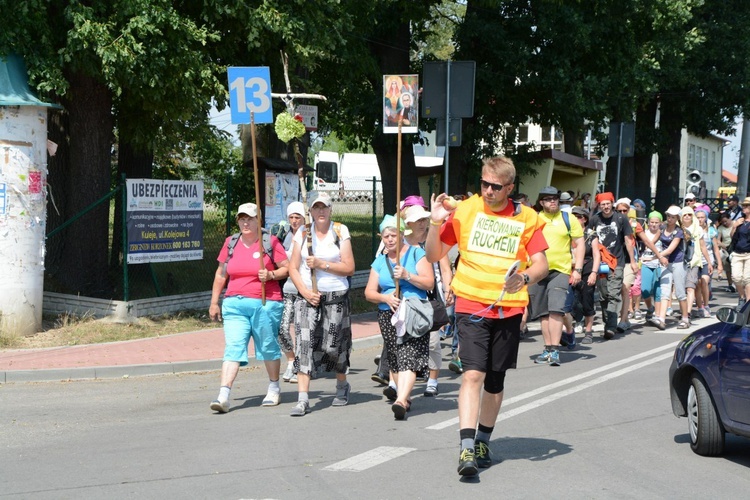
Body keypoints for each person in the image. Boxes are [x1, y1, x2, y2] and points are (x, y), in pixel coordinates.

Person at [425, 156, 549, 477]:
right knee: (472, 375)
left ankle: (483, 440)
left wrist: (523, 278)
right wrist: (436, 223)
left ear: (510, 187)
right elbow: (434, 254)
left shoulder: (528, 218)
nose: (489, 191)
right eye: (484, 184)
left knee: (495, 382)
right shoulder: (466, 211)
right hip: (470, 304)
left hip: (508, 308)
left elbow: (541, 265)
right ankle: (466, 447)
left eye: (496, 186)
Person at [208, 203, 289, 413]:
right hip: (234, 304)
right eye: (241, 218)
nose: (245, 222)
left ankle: (273, 387)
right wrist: (214, 302)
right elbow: (221, 274)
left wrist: (271, 275)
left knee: (267, 346)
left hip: (265, 303)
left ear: (258, 221)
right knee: (233, 347)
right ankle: (223, 395)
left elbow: (287, 269)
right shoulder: (231, 242)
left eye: (250, 218)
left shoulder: (269, 242)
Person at [287, 191, 355, 416]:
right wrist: (305, 292)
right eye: (316, 208)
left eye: (324, 207)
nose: (321, 211)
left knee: (333, 346)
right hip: (308, 297)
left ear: (330, 209)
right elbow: (293, 268)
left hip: (335, 296)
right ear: (311, 211)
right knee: (304, 345)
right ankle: (303, 399)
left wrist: (322, 264)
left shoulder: (339, 230)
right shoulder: (303, 233)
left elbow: (349, 267)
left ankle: (342, 385)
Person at [365, 215, 434, 420]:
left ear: (402, 234)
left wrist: (407, 276)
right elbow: (369, 292)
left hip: (413, 311)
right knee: (395, 358)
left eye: (394, 235)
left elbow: (429, 283)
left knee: (408, 357)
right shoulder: (379, 262)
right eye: (386, 236)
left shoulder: (416, 254)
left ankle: (401, 400)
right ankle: (405, 397)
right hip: (389, 314)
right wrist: (385, 297)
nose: (390, 239)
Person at [528, 186, 584, 366]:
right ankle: (547, 348)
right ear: (541, 202)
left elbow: (580, 244)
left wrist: (578, 269)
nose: (553, 201)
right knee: (543, 313)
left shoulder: (568, 219)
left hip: (560, 271)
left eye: (555, 198)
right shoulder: (534, 219)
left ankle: (555, 350)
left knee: (556, 310)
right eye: (549, 199)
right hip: (537, 271)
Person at [402, 203, 454, 396]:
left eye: (425, 220)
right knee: (402, 341)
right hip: (406, 297)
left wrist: (448, 289)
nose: (423, 224)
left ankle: (432, 380)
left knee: (432, 341)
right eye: (419, 221)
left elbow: (445, 267)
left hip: (430, 297)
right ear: (409, 223)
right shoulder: (401, 241)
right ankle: (397, 381)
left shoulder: (434, 240)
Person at [589, 192, 636, 339]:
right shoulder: (595, 219)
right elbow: (589, 240)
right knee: (603, 296)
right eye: (602, 204)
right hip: (601, 262)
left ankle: (610, 326)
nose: (606, 207)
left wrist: (633, 261)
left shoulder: (621, 218)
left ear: (612, 203)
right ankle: (608, 320)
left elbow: (628, 240)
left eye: (608, 204)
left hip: (618, 261)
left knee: (613, 293)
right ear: (599, 206)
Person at [279, 202, 306, 383]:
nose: (295, 221)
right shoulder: (284, 236)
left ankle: (299, 365)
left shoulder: (310, 236)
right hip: (288, 289)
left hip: (305, 290)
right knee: (281, 328)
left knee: (300, 329)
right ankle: (291, 359)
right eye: (291, 217)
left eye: (298, 217)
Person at [650, 206, 688, 329]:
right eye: (668, 216)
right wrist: (649, 250)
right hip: (665, 262)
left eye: (673, 217)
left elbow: (671, 249)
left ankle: (685, 318)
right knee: (665, 291)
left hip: (677, 262)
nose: (670, 219)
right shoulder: (662, 227)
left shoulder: (679, 232)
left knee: (680, 292)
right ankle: (661, 319)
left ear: (677, 218)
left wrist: (656, 257)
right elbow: (652, 242)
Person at [570, 206, 601, 344]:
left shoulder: (590, 234)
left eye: (579, 216)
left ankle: (588, 331)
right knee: (572, 302)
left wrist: (594, 273)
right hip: (570, 270)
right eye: (574, 216)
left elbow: (596, 254)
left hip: (587, 269)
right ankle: (572, 327)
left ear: (584, 219)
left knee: (587, 301)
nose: (576, 219)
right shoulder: (568, 232)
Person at [729, 197, 750, 309]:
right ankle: (741, 297)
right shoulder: (740, 221)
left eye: (747, 206)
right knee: (736, 277)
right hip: (737, 252)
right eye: (744, 205)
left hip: (749, 254)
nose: (744, 207)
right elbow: (732, 237)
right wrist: (735, 226)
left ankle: (747, 303)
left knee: (747, 279)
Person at [716, 212, 735, 291]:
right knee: (728, 269)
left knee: (735, 268)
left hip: (735, 248)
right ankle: (730, 285)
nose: (725, 223)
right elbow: (717, 240)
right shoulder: (721, 228)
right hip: (726, 249)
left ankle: (737, 284)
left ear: (730, 218)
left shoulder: (735, 225)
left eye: (726, 221)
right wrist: (723, 245)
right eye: (723, 222)